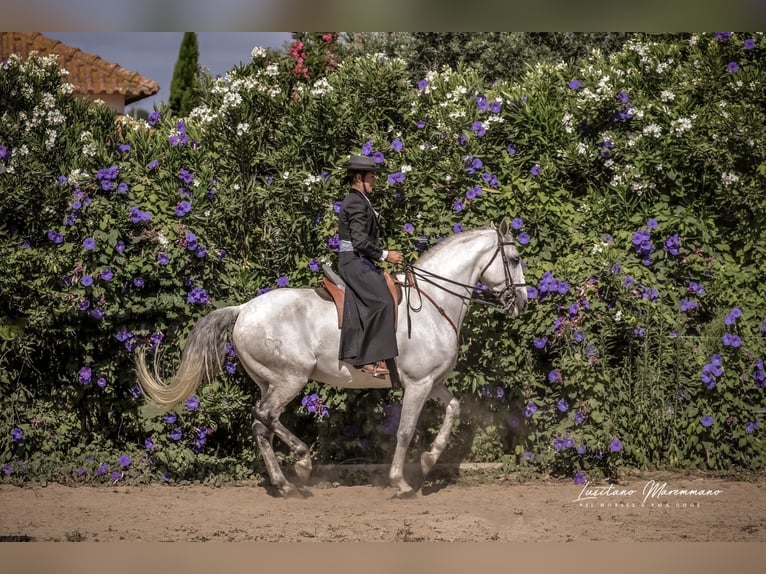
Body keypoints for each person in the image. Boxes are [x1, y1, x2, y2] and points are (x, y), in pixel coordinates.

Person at [336, 155, 404, 377]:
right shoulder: (355, 202)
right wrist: (385, 255)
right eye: (372, 176)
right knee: (382, 302)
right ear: (358, 177)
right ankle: (369, 360)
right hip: (353, 262)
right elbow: (359, 241)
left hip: (361, 260)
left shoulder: (360, 200)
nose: (375, 180)